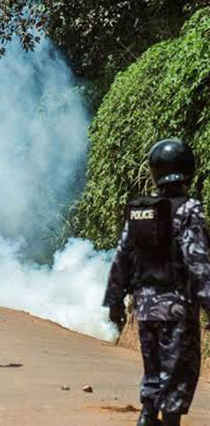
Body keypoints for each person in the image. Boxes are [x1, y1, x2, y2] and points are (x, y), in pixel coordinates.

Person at [103, 139, 210, 426]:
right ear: (188, 169)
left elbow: (121, 257)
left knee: (154, 371)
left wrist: (114, 301)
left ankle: (148, 414)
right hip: (177, 309)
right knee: (179, 373)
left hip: (146, 309)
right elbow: (197, 262)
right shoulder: (189, 209)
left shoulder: (141, 210)